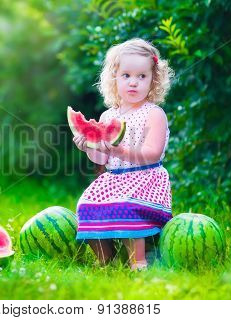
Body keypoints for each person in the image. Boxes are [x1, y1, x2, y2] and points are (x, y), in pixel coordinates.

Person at [72, 38, 174, 271]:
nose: (133, 83)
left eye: (142, 76)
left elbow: (152, 153)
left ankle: (137, 261)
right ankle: (106, 260)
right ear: (114, 79)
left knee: (127, 205)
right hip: (114, 180)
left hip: (146, 180)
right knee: (86, 205)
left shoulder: (154, 114)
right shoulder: (108, 117)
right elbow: (102, 159)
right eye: (126, 75)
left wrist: (120, 150)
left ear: (153, 80)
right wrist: (88, 147)